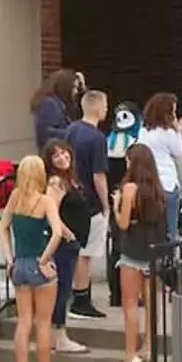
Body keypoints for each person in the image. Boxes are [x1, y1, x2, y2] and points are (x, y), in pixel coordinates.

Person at [0, 155, 66, 362]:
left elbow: (2, 226)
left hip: (20, 264)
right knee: (43, 323)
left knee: (24, 321)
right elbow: (57, 233)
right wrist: (45, 259)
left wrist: (10, 259)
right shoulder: (45, 201)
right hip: (39, 263)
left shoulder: (15, 197)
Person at [112, 143, 167, 362]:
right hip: (153, 252)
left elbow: (123, 224)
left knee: (131, 305)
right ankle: (149, 348)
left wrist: (116, 205)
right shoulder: (157, 188)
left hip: (133, 252)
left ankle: (130, 355)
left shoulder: (130, 188)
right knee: (151, 304)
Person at [62, 89, 110, 319]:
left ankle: (71, 294)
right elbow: (98, 175)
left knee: (73, 249)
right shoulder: (97, 138)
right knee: (87, 252)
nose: (107, 110)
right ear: (98, 108)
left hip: (69, 196)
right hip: (90, 201)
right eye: (106, 106)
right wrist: (106, 203)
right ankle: (81, 299)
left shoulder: (71, 130)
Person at [42, 139, 93, 354]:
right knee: (62, 289)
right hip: (63, 245)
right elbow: (50, 211)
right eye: (56, 156)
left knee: (63, 289)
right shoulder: (56, 182)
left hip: (74, 244)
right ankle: (59, 336)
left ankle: (56, 336)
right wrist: (67, 234)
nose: (62, 158)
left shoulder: (70, 179)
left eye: (64, 153)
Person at [138, 93, 182, 240]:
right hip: (167, 183)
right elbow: (180, 153)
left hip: (147, 182)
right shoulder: (169, 132)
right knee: (170, 228)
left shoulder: (143, 130)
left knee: (151, 226)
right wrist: (177, 130)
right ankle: (170, 258)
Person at [31, 68, 85, 152]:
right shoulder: (49, 104)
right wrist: (72, 133)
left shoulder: (62, 104)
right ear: (65, 87)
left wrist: (83, 90)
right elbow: (45, 132)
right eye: (74, 87)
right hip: (53, 155)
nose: (75, 91)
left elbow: (87, 106)